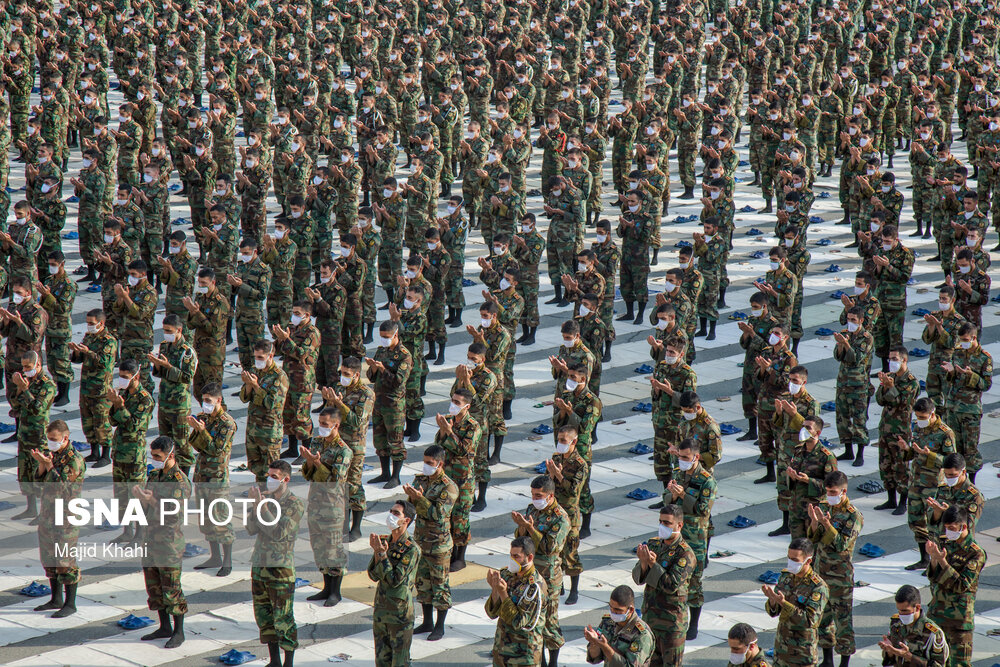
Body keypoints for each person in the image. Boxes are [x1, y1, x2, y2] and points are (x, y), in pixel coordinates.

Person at [133, 436, 191, 649]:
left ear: (170, 455)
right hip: (151, 538)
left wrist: (151, 501)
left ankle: (179, 631)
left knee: (172, 588)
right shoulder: (155, 475)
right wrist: (141, 498)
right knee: (154, 586)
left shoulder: (179, 481)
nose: (154, 460)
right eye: (153, 455)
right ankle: (164, 626)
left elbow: (174, 514)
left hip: (168, 542)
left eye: (158, 456)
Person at [248, 460, 305, 667]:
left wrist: (260, 506)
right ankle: (274, 661)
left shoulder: (294, 504)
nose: (269, 480)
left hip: (280, 570)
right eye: (268, 475)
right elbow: (250, 529)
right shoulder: (266, 499)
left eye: (274, 476)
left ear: (285, 479)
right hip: (260, 567)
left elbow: (279, 532)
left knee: (283, 620)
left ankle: (288, 662)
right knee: (265, 618)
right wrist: (255, 506)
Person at [807, 471, 862, 667]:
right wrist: (814, 522)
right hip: (821, 572)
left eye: (833, 492)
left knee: (843, 623)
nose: (829, 495)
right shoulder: (823, 506)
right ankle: (828, 659)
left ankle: (844, 663)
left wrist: (826, 523)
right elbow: (813, 538)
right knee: (822, 619)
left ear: (844, 491)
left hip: (840, 577)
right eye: (827, 491)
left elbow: (841, 545)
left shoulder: (853, 516)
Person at [513, 475, 569, 667]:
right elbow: (522, 541)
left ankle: (552, 662)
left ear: (550, 495)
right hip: (531, 573)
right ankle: (539, 660)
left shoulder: (560, 518)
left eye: (539, 495)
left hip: (549, 576)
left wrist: (530, 528)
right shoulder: (532, 509)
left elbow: (549, 547)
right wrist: (522, 528)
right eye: (533, 494)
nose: (535, 498)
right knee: (533, 619)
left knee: (549, 623)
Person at [31, 420, 84, 618]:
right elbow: (38, 482)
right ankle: (56, 598)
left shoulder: (74, 460)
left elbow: (61, 486)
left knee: (65, 559)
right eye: (49, 438)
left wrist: (48, 465)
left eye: (54, 439)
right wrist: (42, 465)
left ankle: (70, 603)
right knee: (49, 556)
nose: (50, 442)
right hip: (48, 513)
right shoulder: (53, 455)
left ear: (65, 437)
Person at [632, 504, 696, 666]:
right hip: (651, 619)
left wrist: (653, 564)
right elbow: (638, 578)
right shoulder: (654, 544)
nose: (662, 526)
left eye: (667, 523)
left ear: (679, 525)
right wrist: (643, 562)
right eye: (661, 522)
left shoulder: (685, 554)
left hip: (672, 624)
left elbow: (671, 585)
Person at [405, 445, 458, 641]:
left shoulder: (449, 487)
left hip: (439, 545)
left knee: (440, 586)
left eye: (430, 463)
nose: (426, 466)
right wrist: (411, 497)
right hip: (421, 541)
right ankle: (427, 621)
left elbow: (438, 514)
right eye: (425, 462)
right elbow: (410, 507)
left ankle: (440, 626)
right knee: (423, 583)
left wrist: (420, 499)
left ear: (440, 464)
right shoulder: (421, 480)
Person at [299, 408, 350, 607]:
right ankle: (326, 588)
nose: (321, 427)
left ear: (336, 425)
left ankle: (335, 592)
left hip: (332, 507)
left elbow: (334, 481)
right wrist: (310, 463)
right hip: (316, 503)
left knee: (333, 550)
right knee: (319, 547)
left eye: (325, 424)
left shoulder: (344, 451)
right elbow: (307, 474)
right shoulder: (317, 442)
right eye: (320, 423)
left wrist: (317, 463)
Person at [925, 507, 986, 667]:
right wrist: (933, 559)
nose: (948, 532)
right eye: (946, 528)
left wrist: (942, 561)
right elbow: (933, 577)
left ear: (963, 527)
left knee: (958, 664)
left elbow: (961, 585)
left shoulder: (976, 553)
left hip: (959, 620)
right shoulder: (946, 543)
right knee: (935, 661)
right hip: (938, 614)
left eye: (951, 528)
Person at [187, 383, 237, 577]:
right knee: (206, 518)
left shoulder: (227, 423)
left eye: (209, 401)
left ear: (219, 400)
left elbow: (216, 449)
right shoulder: (203, 418)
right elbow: (195, 444)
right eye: (203, 400)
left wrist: (202, 431)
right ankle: (214, 556)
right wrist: (196, 429)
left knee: (220, 518)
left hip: (217, 477)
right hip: (202, 473)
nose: (205, 405)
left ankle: (227, 560)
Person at [368, 500, 420, 667]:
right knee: (381, 660)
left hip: (399, 614)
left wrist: (382, 555)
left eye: (396, 513)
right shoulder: (385, 542)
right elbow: (373, 574)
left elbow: (395, 580)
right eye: (391, 511)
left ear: (407, 520)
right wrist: (378, 552)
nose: (391, 515)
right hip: (381, 611)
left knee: (399, 662)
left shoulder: (411, 549)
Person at [763, 538, 829, 667]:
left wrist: (784, 603)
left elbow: (810, 621)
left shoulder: (818, 587)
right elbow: (774, 612)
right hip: (781, 649)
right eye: (789, 558)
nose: (790, 563)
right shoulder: (785, 577)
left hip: (802, 654)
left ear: (808, 561)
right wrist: (772, 600)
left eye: (795, 560)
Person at [485, 536, 547, 667]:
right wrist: (495, 589)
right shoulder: (507, 575)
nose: (512, 560)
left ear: (529, 558)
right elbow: (492, 613)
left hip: (523, 655)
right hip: (501, 650)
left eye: (516, 556)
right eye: (511, 556)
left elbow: (518, 622)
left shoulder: (535, 586)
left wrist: (503, 593)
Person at [878, 585, 949, 667]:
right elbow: (891, 661)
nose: (901, 614)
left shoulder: (932, 633)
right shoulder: (896, 624)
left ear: (917, 607)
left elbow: (938, 665)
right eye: (899, 610)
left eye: (905, 611)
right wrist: (890, 652)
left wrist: (909, 656)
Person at [583, 585, 654, 666]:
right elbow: (594, 658)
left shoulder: (642, 635)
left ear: (630, 610)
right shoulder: (607, 622)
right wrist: (594, 643)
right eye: (611, 608)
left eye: (618, 610)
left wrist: (605, 647)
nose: (613, 613)